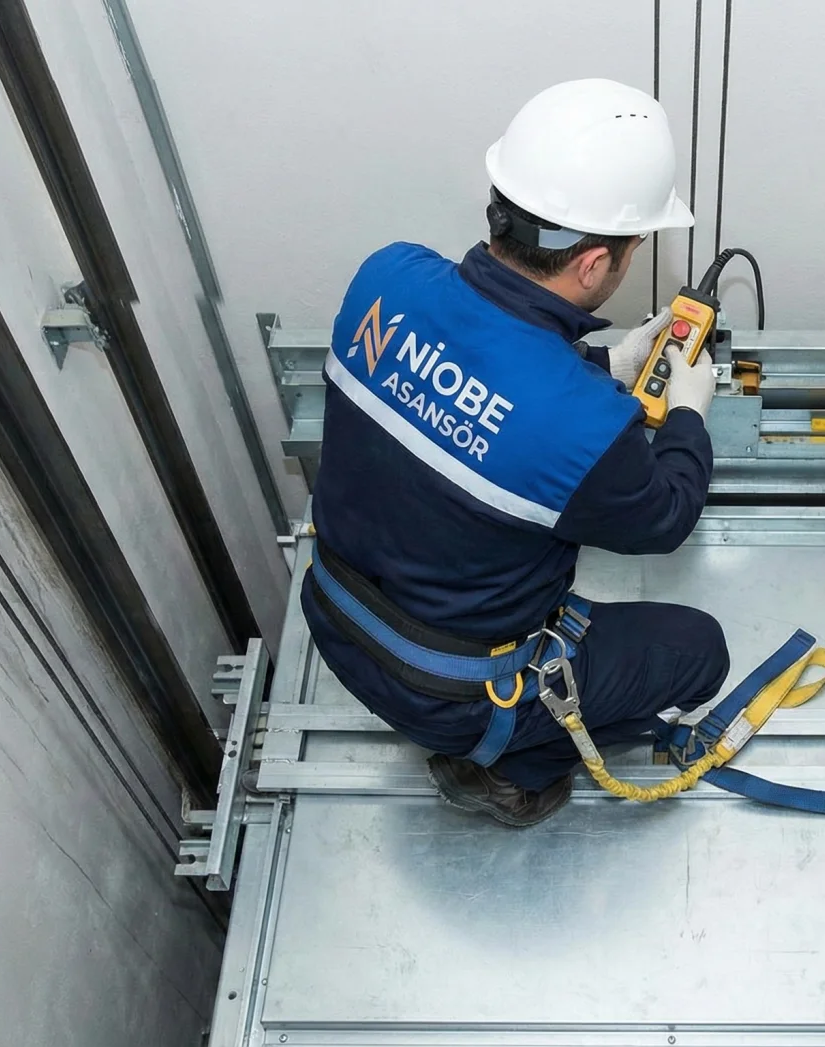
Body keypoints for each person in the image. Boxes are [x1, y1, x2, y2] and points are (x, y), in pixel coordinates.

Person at [298, 79, 729, 827]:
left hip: (338, 619)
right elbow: (665, 516)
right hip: (454, 694)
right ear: (593, 265)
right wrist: (689, 409)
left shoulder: (385, 277)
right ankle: (510, 769)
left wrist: (607, 364)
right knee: (699, 653)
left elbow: (483, 368)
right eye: (631, 250)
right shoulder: (586, 430)